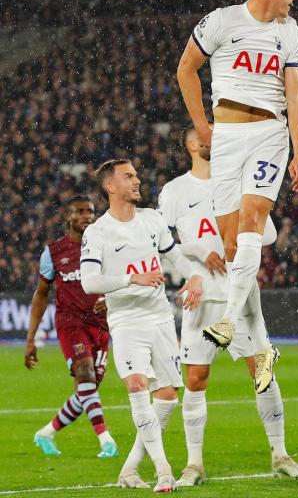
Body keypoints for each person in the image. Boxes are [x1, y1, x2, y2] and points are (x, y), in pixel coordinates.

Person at [177, 0, 298, 393]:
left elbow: (295, 95)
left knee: (253, 219)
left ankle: (231, 320)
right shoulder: (222, 21)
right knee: (233, 247)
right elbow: (186, 68)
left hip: (270, 133)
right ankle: (265, 345)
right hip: (227, 138)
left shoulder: (290, 32)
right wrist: (200, 125)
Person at [158, 129, 298, 485]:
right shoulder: (175, 191)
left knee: (262, 373)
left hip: (237, 298)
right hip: (200, 300)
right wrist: (197, 251)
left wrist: (243, 231)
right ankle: (194, 464)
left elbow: (267, 236)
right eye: (203, 134)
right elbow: (162, 246)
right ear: (191, 144)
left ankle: (280, 454)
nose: (211, 137)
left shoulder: (240, 184)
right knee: (196, 379)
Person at [80, 159, 203, 492]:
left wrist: (192, 274)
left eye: (136, 174)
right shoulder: (97, 232)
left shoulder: (152, 219)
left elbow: (173, 254)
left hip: (160, 318)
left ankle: (130, 469)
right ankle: (164, 471)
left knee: (166, 395)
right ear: (111, 187)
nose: (137, 180)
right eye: (128, 176)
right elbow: (89, 283)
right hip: (126, 321)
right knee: (136, 384)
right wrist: (132, 278)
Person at [25, 195, 117, 458]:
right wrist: (30, 338)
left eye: (90, 211)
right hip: (70, 324)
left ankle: (46, 432)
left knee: (87, 388)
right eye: (80, 212)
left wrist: (109, 300)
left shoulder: (105, 248)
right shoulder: (53, 252)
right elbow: (41, 294)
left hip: (100, 325)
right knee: (86, 375)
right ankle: (105, 439)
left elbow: (120, 280)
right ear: (68, 218)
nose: (87, 216)